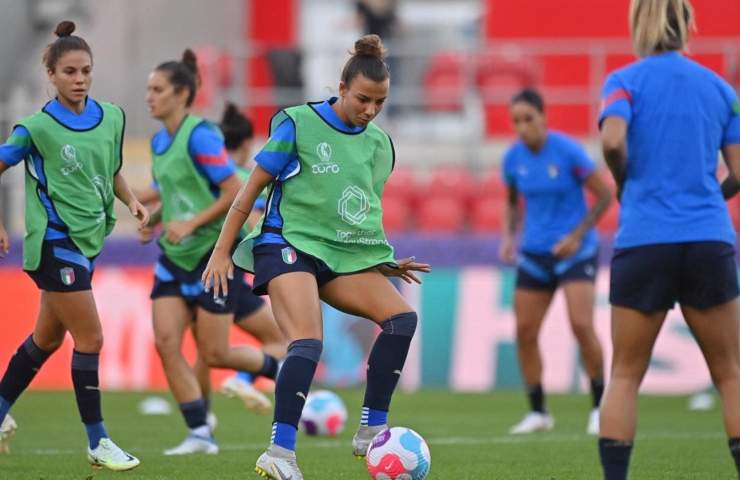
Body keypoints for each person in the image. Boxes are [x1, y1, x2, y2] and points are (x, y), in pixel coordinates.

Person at [202, 34, 430, 479]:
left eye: (380, 103)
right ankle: (280, 453)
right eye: (363, 99)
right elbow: (248, 193)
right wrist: (222, 252)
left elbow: (356, 214)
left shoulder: (379, 145)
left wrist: (384, 262)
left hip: (335, 257)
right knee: (307, 340)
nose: (370, 110)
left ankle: (371, 427)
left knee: (402, 320)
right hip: (283, 245)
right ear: (342, 88)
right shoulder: (297, 124)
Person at [597, 1, 740, 478]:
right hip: (707, 239)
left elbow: (613, 140)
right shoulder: (721, 90)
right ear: (689, 28)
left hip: (644, 239)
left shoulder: (623, 82)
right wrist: (710, 199)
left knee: (625, 374)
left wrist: (625, 182)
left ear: (639, 25)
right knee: (730, 375)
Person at [0, 21, 145, 471]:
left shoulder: (113, 117)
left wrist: (132, 199)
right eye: (69, 71)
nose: (79, 79)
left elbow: (110, 169)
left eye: (85, 70)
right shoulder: (35, 127)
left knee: (45, 339)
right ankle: (97, 441)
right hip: (54, 243)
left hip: (89, 241)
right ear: (52, 75)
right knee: (91, 337)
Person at [141, 50, 281, 455]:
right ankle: (200, 432)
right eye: (148, 89)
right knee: (166, 343)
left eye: (157, 90)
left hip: (210, 256)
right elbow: (175, 192)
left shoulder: (201, 135)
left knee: (215, 353)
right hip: (175, 255)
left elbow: (233, 190)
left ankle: (278, 368)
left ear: (182, 93)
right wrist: (153, 216)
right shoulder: (158, 140)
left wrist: (192, 223)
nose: (149, 97)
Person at [499, 88, 612, 436]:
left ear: (543, 118)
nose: (522, 127)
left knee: (581, 325)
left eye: (528, 119)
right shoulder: (512, 159)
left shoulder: (568, 152)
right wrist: (509, 236)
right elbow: (513, 202)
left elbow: (605, 194)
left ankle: (599, 407)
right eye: (516, 121)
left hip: (574, 253)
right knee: (524, 332)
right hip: (534, 254)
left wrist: (577, 236)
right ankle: (538, 412)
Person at [193, 104, 287, 415]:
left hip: (190, 266)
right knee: (278, 339)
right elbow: (252, 222)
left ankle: (201, 421)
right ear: (247, 144)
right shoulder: (246, 178)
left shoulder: (208, 175)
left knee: (204, 351)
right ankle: (244, 378)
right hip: (223, 271)